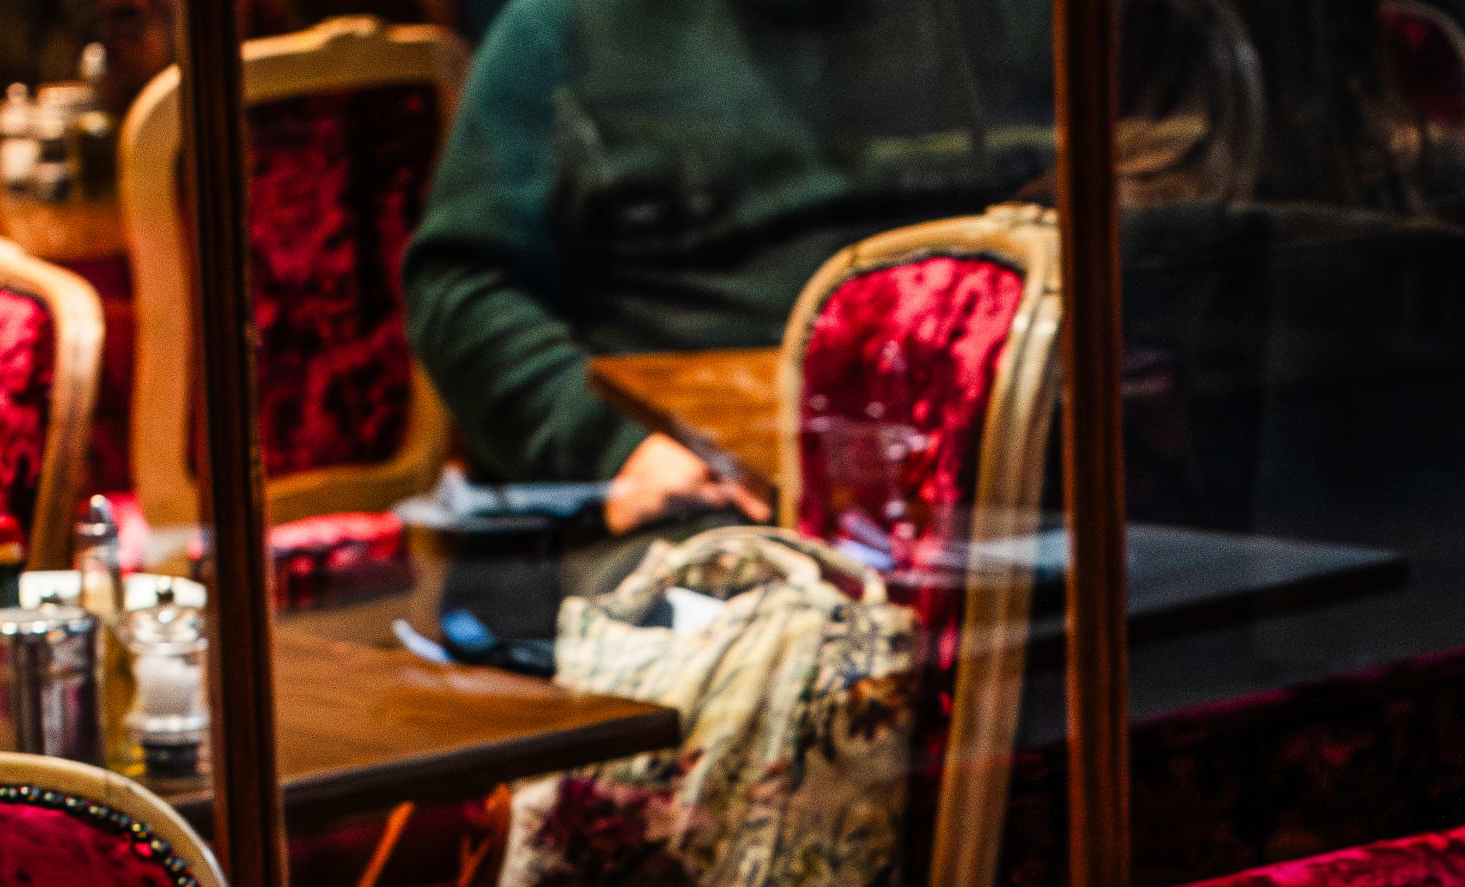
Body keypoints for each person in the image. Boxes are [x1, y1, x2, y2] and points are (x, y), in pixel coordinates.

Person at [403, 0, 1056, 536]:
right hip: (706, 500)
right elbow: (462, 284)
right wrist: (615, 447)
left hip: (989, 480)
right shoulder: (563, 26)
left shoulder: (1009, 22)